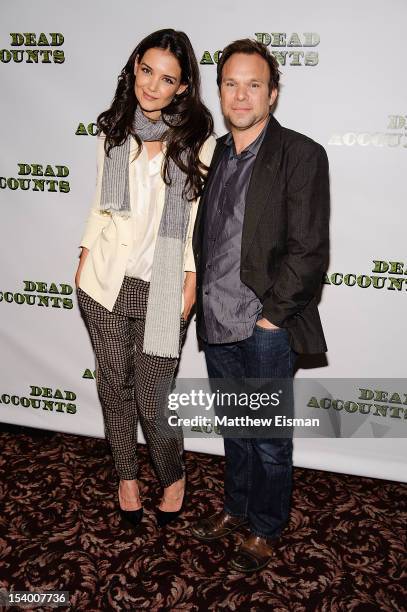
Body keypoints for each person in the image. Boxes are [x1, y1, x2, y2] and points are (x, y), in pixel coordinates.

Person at [191, 39, 329, 572]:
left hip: (265, 328)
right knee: (236, 431)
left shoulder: (301, 154)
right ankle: (236, 508)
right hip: (217, 320)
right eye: (231, 83)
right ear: (220, 90)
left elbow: (309, 249)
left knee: (270, 440)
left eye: (253, 84)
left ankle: (267, 527)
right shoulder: (217, 153)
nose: (241, 94)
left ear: (272, 93)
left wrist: (272, 317)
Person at [75, 28, 215, 528]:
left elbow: (197, 222)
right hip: (106, 283)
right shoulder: (114, 129)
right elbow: (103, 204)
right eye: (147, 71)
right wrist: (84, 255)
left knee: (152, 398)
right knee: (114, 386)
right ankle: (126, 476)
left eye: (168, 79)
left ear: (182, 87)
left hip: (162, 288)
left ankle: (173, 475)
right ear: (135, 66)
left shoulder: (198, 139)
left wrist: (191, 279)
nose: (153, 86)